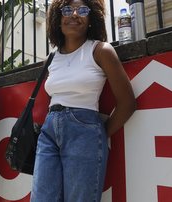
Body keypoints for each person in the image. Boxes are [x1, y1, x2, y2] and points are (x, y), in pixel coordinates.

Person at [30, 0, 136, 201]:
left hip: (85, 131)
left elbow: (127, 103)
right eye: (67, 10)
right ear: (57, 19)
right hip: (49, 131)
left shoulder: (100, 51)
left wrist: (97, 133)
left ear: (91, 19)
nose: (75, 14)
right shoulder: (50, 59)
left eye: (83, 10)